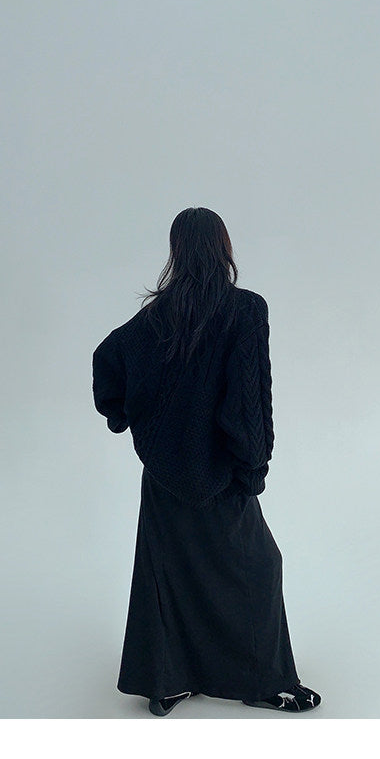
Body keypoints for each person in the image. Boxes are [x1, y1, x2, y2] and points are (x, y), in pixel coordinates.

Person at [92, 207, 321, 716]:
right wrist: (253, 465)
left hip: (164, 474)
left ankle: (167, 682)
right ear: (223, 246)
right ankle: (265, 682)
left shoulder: (156, 316)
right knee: (257, 569)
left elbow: (108, 359)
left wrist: (123, 415)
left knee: (168, 573)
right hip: (221, 472)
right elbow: (248, 398)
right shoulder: (245, 309)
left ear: (177, 251)